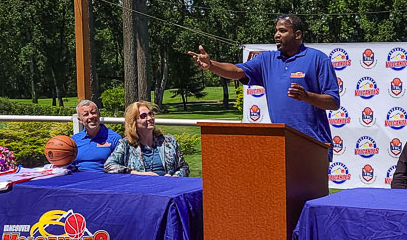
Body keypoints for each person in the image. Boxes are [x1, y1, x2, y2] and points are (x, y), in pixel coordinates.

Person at [188, 14, 339, 149]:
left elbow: (333, 102)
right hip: (282, 145)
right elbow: (236, 71)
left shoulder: (318, 59)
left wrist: (307, 96)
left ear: (297, 35)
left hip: (314, 144)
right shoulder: (267, 60)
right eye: (276, 31)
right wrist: (212, 65)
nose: (276, 35)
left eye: (282, 31)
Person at [104, 101, 189, 177]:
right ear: (133, 122)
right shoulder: (126, 144)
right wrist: (137, 174)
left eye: (151, 114)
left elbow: (184, 167)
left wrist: (174, 177)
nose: (149, 118)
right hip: (141, 188)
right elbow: (109, 166)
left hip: (168, 187)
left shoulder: (169, 141)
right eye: (143, 116)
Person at [71, 100, 122, 172]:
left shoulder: (114, 139)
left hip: (105, 179)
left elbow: (122, 165)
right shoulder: (73, 140)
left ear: (99, 114)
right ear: (79, 120)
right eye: (86, 114)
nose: (91, 116)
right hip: (78, 178)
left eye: (93, 113)